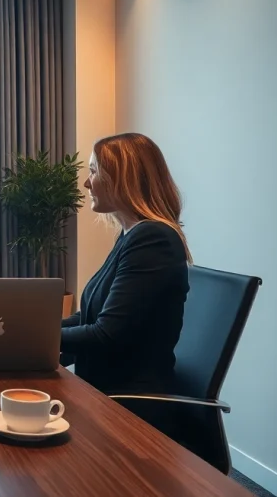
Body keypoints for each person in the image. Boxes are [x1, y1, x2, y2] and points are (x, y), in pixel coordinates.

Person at [61, 132, 190, 431]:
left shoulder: (153, 238)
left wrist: (29, 336)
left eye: (93, 171)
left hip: (128, 407)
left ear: (122, 178)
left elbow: (107, 334)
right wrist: (34, 330)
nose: (86, 182)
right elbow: (91, 316)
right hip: (102, 393)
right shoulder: (131, 235)